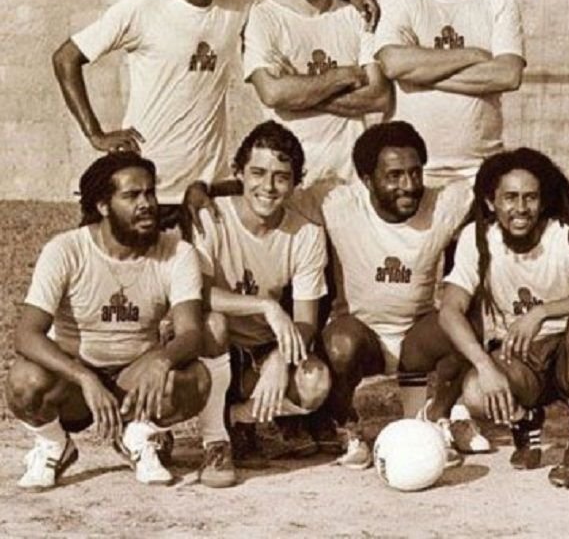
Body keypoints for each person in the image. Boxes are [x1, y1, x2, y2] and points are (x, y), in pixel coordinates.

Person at [53, 0, 380, 226]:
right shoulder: (141, 9)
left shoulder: (238, 4)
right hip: (147, 179)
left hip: (204, 186)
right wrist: (95, 133)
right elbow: (66, 58)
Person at [5, 153, 210, 491]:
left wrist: (162, 359)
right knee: (23, 381)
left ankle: (137, 437)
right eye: (131, 196)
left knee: (196, 380)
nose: (146, 204)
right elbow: (26, 335)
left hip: (134, 379)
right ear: (103, 206)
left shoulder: (177, 252)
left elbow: (191, 333)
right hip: (74, 385)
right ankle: (54, 445)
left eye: (150, 193)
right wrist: (84, 377)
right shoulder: (66, 250)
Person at [292, 121, 490, 469]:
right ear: (367, 180)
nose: (409, 185)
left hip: (417, 338)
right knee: (340, 344)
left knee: (461, 322)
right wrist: (205, 190)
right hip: (362, 337)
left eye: (415, 173)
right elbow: (266, 193)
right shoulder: (337, 202)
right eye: (394, 176)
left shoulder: (444, 202)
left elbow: (508, 182)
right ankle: (347, 428)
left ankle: (439, 418)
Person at [438, 147, 569, 488]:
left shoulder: (567, 233)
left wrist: (542, 312)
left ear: (542, 200)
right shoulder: (478, 239)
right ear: (490, 202)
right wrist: (484, 365)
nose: (521, 208)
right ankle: (526, 420)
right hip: (519, 357)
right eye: (510, 197)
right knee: (475, 392)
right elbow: (449, 311)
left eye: (530, 197)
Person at [191, 121, 332, 475]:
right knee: (212, 323)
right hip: (212, 348)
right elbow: (197, 294)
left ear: (295, 183)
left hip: (259, 350)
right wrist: (266, 306)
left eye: (281, 177)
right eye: (258, 173)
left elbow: (306, 321)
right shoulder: (210, 216)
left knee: (315, 382)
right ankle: (215, 439)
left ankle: (240, 420)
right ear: (238, 173)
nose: (268, 187)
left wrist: (279, 359)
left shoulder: (307, 232)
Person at [374, 0, 526, 194]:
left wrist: (418, 72)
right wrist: (472, 55)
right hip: (412, 170)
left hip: (480, 168)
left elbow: (507, 75)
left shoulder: (498, 4)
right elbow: (393, 64)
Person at [242, 0, 392, 185]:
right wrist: (344, 76)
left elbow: (379, 98)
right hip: (288, 180)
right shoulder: (265, 17)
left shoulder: (356, 15)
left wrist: (299, 89)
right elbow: (273, 94)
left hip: (348, 179)